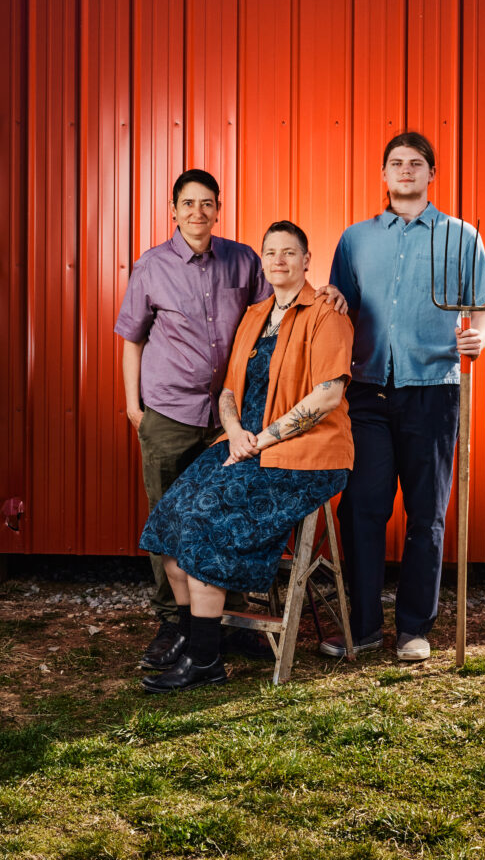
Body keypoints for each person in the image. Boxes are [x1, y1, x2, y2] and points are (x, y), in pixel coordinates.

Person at [139, 221, 353, 692]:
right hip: (244, 444)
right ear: (263, 261)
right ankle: (203, 637)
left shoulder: (326, 313)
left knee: (205, 524)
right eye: (271, 252)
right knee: (170, 522)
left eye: (289, 252)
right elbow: (230, 390)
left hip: (302, 453)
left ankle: (205, 660)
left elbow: (327, 396)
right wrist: (235, 432)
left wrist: (264, 439)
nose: (279, 260)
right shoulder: (255, 315)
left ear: (306, 260)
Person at [326, 131, 485, 662]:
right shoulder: (355, 240)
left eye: (416, 163)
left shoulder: (460, 236)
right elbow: (340, 305)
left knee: (426, 514)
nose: (406, 170)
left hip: (434, 390)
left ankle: (413, 629)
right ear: (383, 175)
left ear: (431, 174)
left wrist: (481, 337)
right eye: (396, 163)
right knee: (362, 508)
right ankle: (364, 625)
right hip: (370, 392)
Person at [113, 169, 268, 672]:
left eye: (207, 203)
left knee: (228, 512)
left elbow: (279, 312)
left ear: (218, 209)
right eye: (188, 203)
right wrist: (134, 405)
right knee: (168, 519)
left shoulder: (244, 260)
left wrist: (325, 295)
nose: (197, 212)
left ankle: (226, 618)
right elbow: (132, 338)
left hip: (230, 417)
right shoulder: (151, 267)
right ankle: (172, 622)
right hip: (169, 412)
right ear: (173, 210)